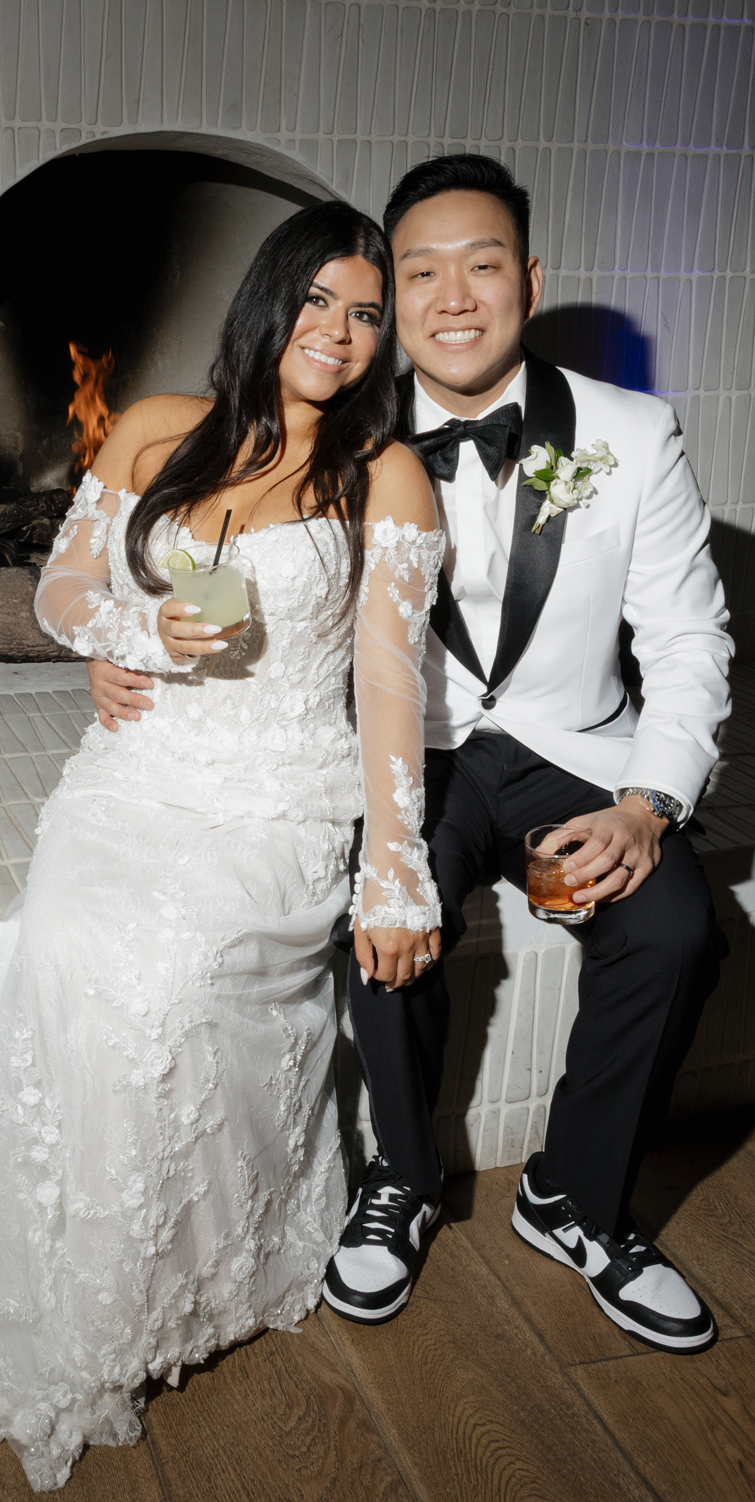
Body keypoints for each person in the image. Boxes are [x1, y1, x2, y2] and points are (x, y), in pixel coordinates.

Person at [89, 156, 732, 1357]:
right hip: (415, 744)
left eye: (480, 266)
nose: (450, 297)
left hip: (569, 746)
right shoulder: (337, 423)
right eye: (417, 273)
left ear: (528, 281)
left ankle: (577, 1201)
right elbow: (194, 545)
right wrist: (122, 638)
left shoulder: (631, 434)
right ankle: (405, 1174)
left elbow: (691, 637)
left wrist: (649, 801)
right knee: (382, 907)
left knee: (679, 929)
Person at [0, 201, 445, 1491]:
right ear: (268, 296)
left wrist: (398, 862)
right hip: (136, 775)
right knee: (70, 947)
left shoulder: (382, 475)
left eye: (364, 314)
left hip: (282, 798)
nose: (337, 334)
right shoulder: (156, 427)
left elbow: (393, 686)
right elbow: (62, 588)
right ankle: (68, 1283)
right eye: (317, 300)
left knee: (164, 974)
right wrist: (132, 636)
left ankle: (167, 1284)